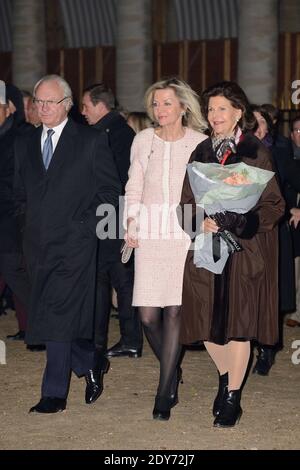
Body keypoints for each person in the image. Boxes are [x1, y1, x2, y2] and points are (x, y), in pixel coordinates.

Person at [179, 81, 284, 427]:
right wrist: (200, 222)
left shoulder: (256, 152)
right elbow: (185, 205)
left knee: (239, 323)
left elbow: (274, 205)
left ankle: (232, 397)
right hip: (209, 247)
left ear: (239, 112)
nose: (214, 115)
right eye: (210, 109)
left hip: (246, 250)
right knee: (207, 323)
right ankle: (227, 376)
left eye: (222, 108)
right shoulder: (200, 153)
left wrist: (241, 219)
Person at [14, 75, 121, 414]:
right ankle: (90, 361)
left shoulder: (90, 140)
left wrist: (85, 228)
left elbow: (110, 195)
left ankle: (54, 393)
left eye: (51, 102)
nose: (43, 108)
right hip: (35, 246)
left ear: (67, 105)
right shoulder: (24, 143)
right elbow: (18, 192)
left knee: (57, 315)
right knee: (46, 314)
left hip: (75, 246)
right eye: (38, 101)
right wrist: (25, 221)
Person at [124, 77, 207, 420]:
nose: (159, 110)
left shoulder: (200, 143)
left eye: (166, 103)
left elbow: (207, 190)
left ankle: (164, 391)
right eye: (155, 104)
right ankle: (172, 367)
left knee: (174, 310)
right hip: (150, 232)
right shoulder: (142, 140)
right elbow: (134, 185)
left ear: (183, 107)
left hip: (183, 233)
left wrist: (204, 224)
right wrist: (130, 221)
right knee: (147, 314)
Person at [81, 83, 143, 359]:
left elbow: (113, 179)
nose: (82, 112)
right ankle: (126, 338)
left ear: (99, 105)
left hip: (110, 216)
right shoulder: (120, 130)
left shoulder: (107, 133)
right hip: (116, 214)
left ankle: (115, 339)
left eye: (85, 106)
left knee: (112, 279)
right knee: (118, 279)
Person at [251, 105, 296, 374]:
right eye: (251, 123)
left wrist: (294, 206)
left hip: (273, 232)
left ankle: (267, 349)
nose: (256, 128)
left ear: (269, 126)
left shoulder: (278, 152)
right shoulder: (237, 153)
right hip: (244, 232)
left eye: (260, 123)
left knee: (271, 292)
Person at [0, 80, 31, 343]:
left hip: (13, 219)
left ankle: (38, 326)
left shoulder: (22, 136)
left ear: (9, 108)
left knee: (16, 273)